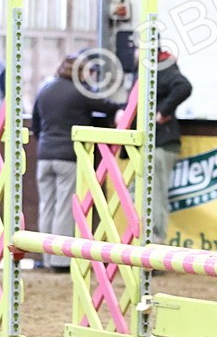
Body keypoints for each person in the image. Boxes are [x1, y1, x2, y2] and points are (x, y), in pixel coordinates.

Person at [31, 54, 126, 271]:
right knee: (65, 207)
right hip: (69, 156)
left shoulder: (45, 89)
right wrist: (124, 106)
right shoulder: (80, 91)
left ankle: (44, 258)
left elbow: (35, 124)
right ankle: (61, 261)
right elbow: (108, 106)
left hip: (44, 155)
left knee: (47, 206)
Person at [148, 47, 193, 246]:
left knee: (155, 195)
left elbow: (184, 86)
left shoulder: (160, 67)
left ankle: (155, 243)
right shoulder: (154, 67)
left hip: (160, 142)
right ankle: (148, 239)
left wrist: (163, 111)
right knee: (141, 193)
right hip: (152, 143)